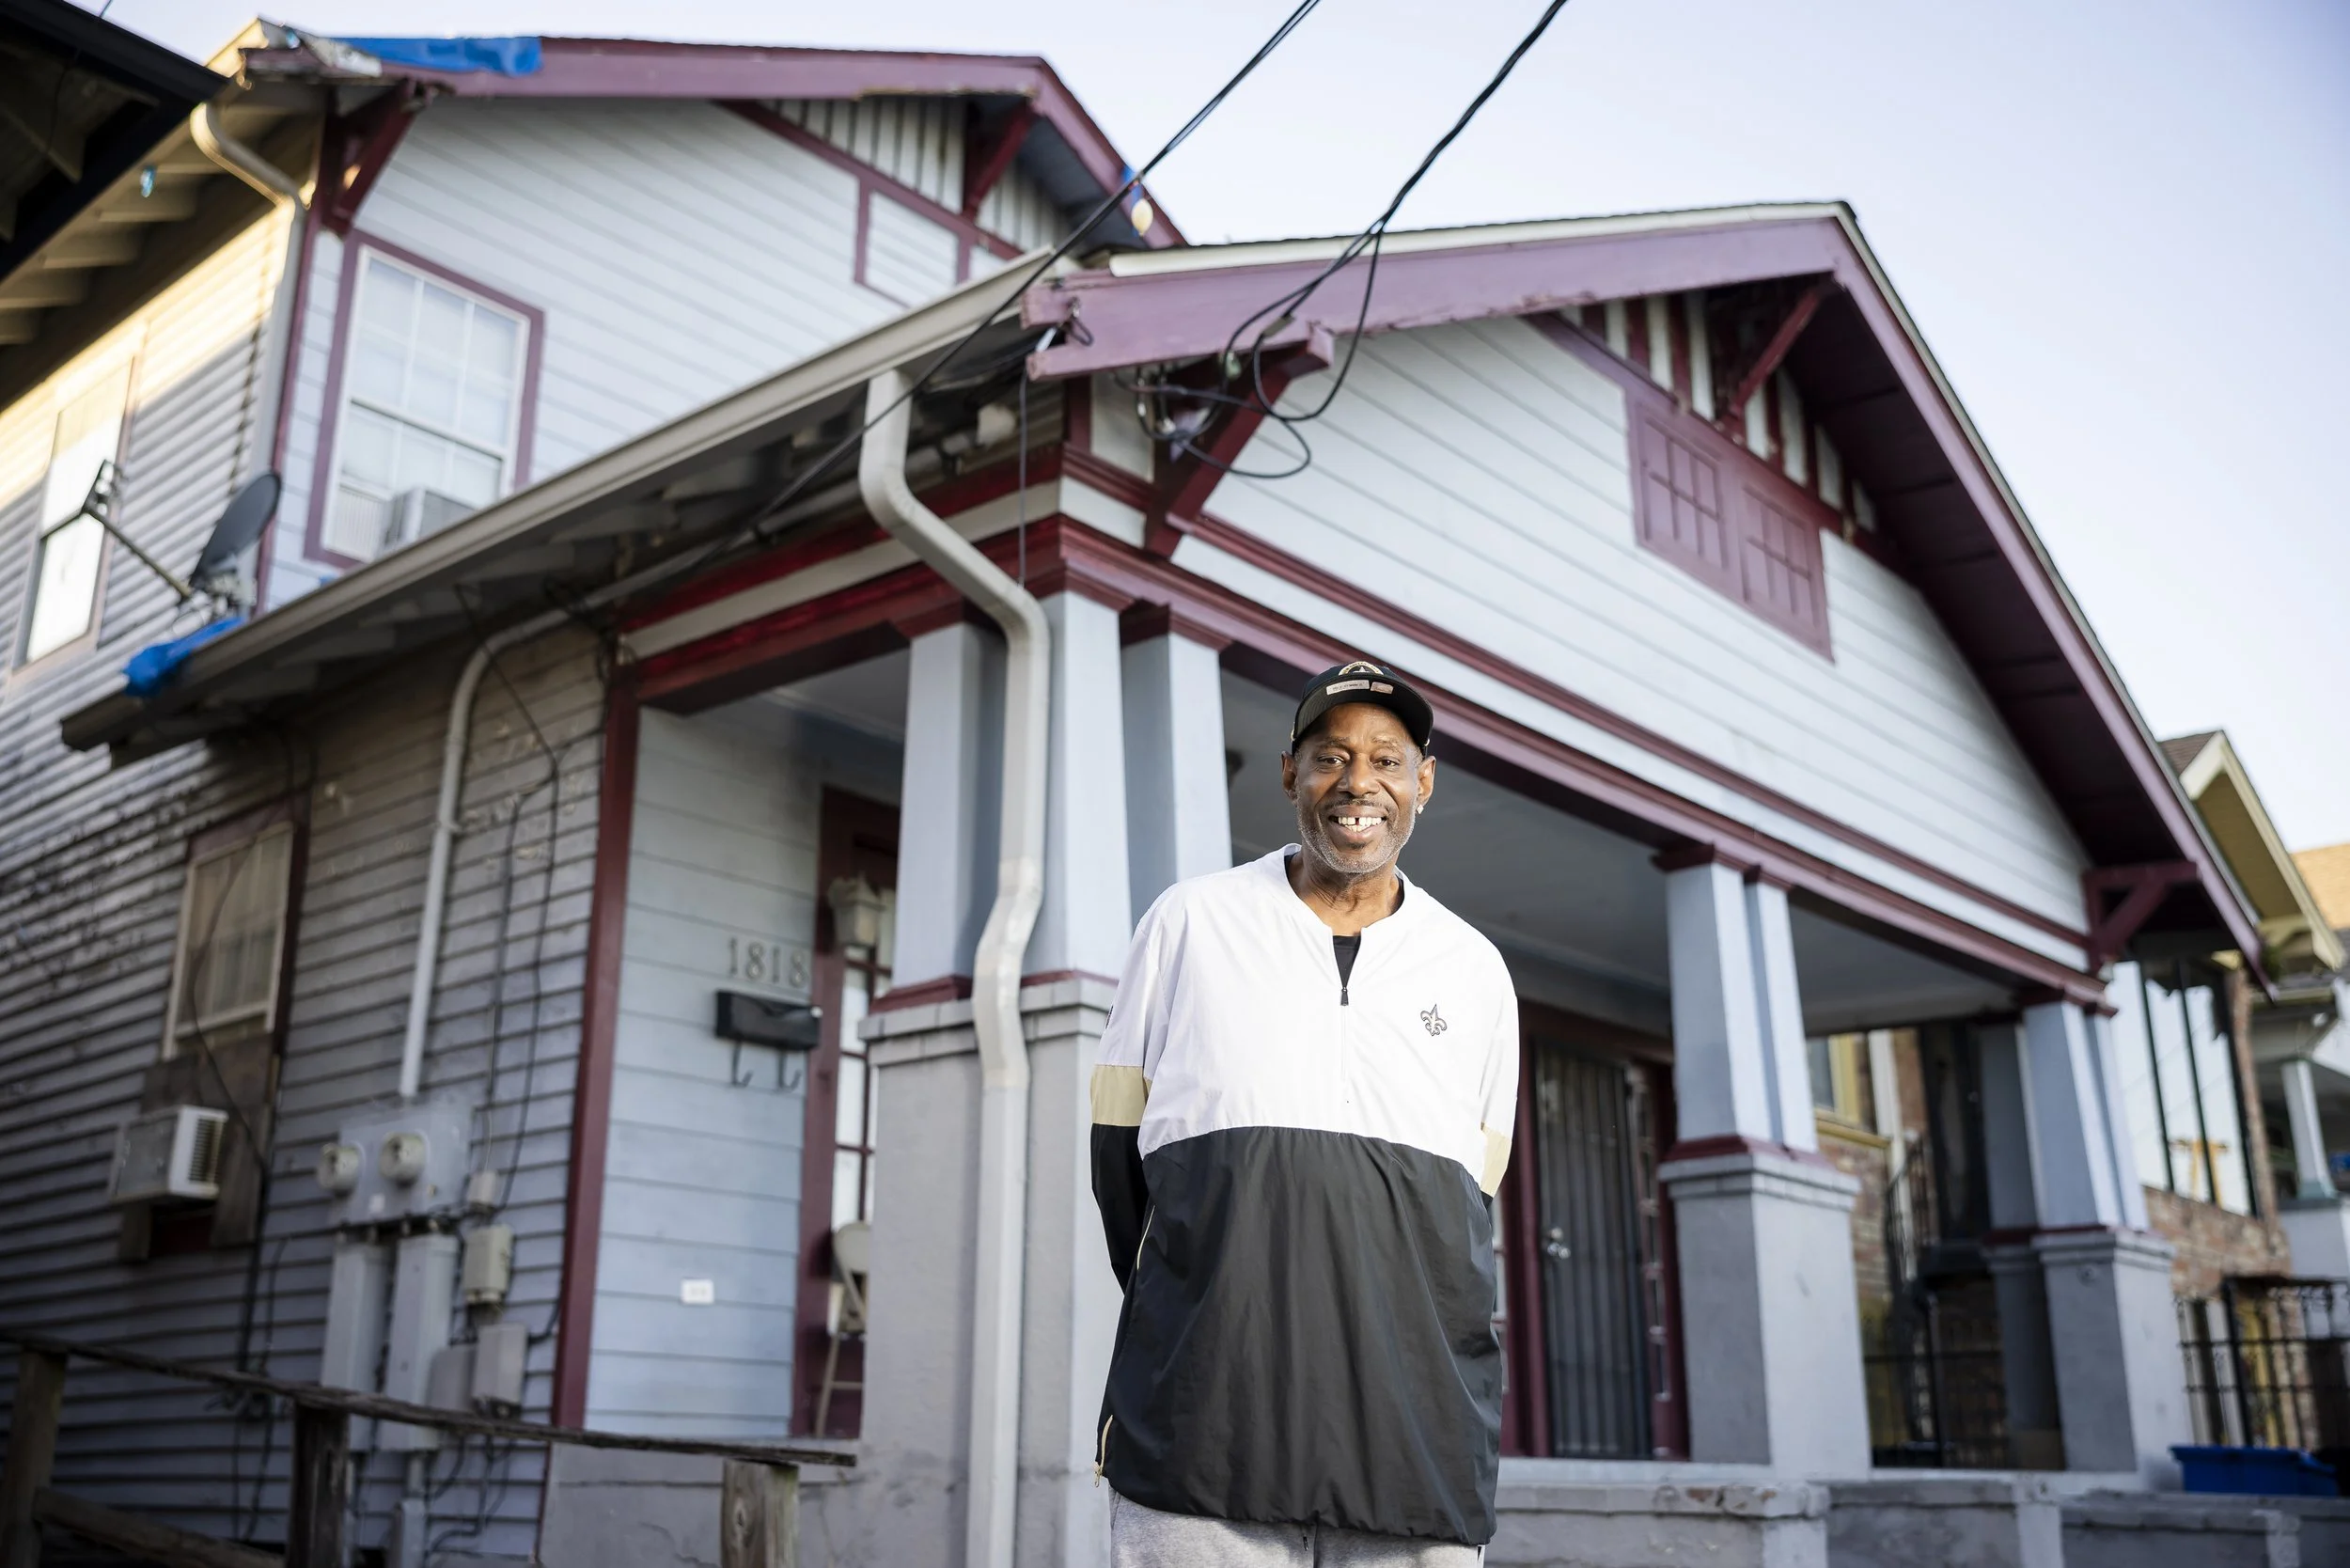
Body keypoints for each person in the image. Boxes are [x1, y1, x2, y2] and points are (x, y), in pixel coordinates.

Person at [1089, 659, 1521, 1566]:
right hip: (1201, 1441)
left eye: (1387, 761)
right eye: (1330, 757)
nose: (1357, 784)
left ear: (1423, 784)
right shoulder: (1188, 926)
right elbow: (1118, 1173)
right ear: (1290, 771)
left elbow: (1464, 1218)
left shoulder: (1476, 971)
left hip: (1418, 1457)